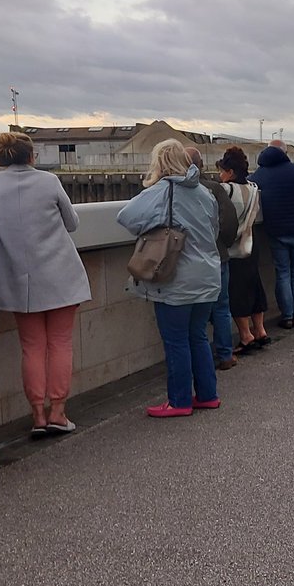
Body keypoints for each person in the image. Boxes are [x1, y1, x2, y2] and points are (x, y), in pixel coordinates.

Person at [0, 132, 91, 440]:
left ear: (1, 159)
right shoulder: (49, 182)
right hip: (60, 275)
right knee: (60, 343)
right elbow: (72, 223)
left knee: (32, 348)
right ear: (32, 156)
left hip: (20, 281)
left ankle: (37, 415)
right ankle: (58, 413)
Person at [117, 139, 221, 417]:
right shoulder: (204, 192)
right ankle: (208, 394)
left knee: (175, 340)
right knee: (198, 336)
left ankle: (179, 401)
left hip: (177, 277)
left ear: (159, 162)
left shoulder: (163, 190)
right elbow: (215, 229)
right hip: (209, 274)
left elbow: (126, 216)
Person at [185, 147, 239, 371]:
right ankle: (225, 354)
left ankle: (197, 360)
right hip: (217, 257)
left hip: (188, 261)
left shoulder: (174, 190)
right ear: (202, 165)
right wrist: (222, 245)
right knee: (221, 306)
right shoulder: (214, 189)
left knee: (192, 315)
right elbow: (229, 224)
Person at [249, 140, 294, 328]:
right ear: (285, 153)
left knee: (282, 273)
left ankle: (287, 316)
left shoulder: (258, 175)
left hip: (276, 231)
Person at [216, 146, 272, 356]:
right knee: (254, 286)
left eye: (222, 171)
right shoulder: (254, 188)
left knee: (236, 292)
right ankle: (260, 330)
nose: (220, 175)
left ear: (230, 172)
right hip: (251, 243)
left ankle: (246, 335)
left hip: (233, 247)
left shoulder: (226, 190)